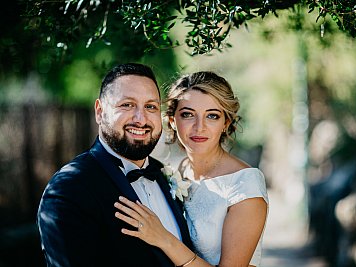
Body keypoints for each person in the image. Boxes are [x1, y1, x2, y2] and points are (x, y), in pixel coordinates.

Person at [37, 63, 192, 267]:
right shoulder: (69, 188)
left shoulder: (164, 174)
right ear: (100, 112)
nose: (141, 119)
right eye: (127, 105)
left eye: (151, 106)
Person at [114, 71, 269, 267]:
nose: (199, 127)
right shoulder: (173, 173)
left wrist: (163, 238)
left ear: (225, 123)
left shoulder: (244, 183)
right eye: (188, 114)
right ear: (171, 120)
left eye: (212, 116)